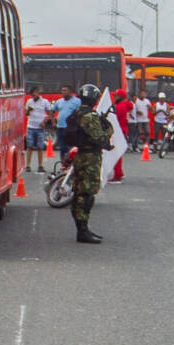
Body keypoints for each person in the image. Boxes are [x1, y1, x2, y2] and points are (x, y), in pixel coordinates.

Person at [63, 82, 114, 242]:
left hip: (80, 155)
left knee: (80, 192)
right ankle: (83, 230)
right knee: (86, 194)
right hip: (90, 157)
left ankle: (82, 229)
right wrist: (108, 128)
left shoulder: (77, 113)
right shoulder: (90, 117)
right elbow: (100, 139)